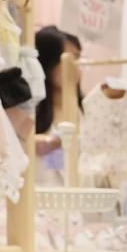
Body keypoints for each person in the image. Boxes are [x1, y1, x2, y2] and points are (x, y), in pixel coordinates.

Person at [34, 26, 82, 184]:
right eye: (67, 59)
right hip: (42, 202)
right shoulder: (30, 115)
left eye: (77, 58)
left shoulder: (87, 112)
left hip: (84, 203)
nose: (74, 66)